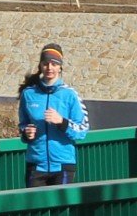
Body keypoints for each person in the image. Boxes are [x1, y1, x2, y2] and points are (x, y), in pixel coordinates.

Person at [16, 42, 91, 187]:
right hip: (36, 164)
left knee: (61, 209)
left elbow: (83, 130)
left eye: (54, 64)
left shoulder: (70, 95)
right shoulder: (29, 94)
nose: (49, 68)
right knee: (35, 209)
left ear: (60, 67)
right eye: (45, 63)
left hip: (63, 165)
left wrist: (62, 122)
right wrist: (26, 133)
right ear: (40, 66)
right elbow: (22, 124)